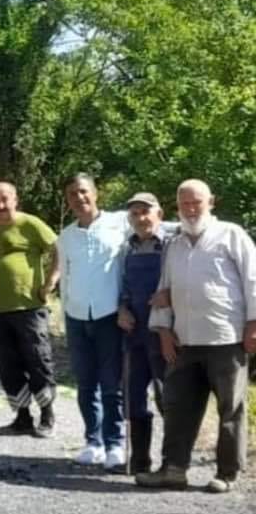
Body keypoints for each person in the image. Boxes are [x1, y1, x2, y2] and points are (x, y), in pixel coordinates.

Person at [137, 179, 256, 493]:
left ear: (211, 202)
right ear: (176, 207)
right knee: (178, 408)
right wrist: (162, 329)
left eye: (197, 202)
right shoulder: (174, 244)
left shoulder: (232, 236)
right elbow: (162, 290)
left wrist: (253, 324)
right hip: (184, 342)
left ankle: (227, 474)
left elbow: (253, 281)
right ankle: (174, 470)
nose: (190, 209)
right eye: (184, 204)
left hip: (226, 339)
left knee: (231, 409)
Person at [43, 173, 127, 469]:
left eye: (83, 192)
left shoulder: (121, 223)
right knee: (85, 383)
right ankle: (94, 441)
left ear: (95, 192)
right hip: (77, 316)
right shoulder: (65, 237)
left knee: (111, 384)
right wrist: (65, 314)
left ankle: (115, 442)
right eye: (72, 195)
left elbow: (156, 227)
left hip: (109, 315)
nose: (79, 198)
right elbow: (64, 278)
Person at [0, 182, 58, 437]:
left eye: (5, 199)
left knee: (37, 359)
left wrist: (51, 282)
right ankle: (22, 416)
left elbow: (58, 249)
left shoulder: (30, 224)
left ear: (15, 199)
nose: (0, 205)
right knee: (7, 364)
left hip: (29, 306)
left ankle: (47, 415)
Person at [116, 192, 169, 473]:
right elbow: (123, 286)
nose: (140, 218)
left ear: (158, 214)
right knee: (133, 396)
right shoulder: (128, 248)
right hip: (135, 332)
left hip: (164, 332)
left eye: (145, 212)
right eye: (135, 214)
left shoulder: (172, 245)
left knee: (167, 397)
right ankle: (140, 459)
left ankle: (172, 462)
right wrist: (122, 309)